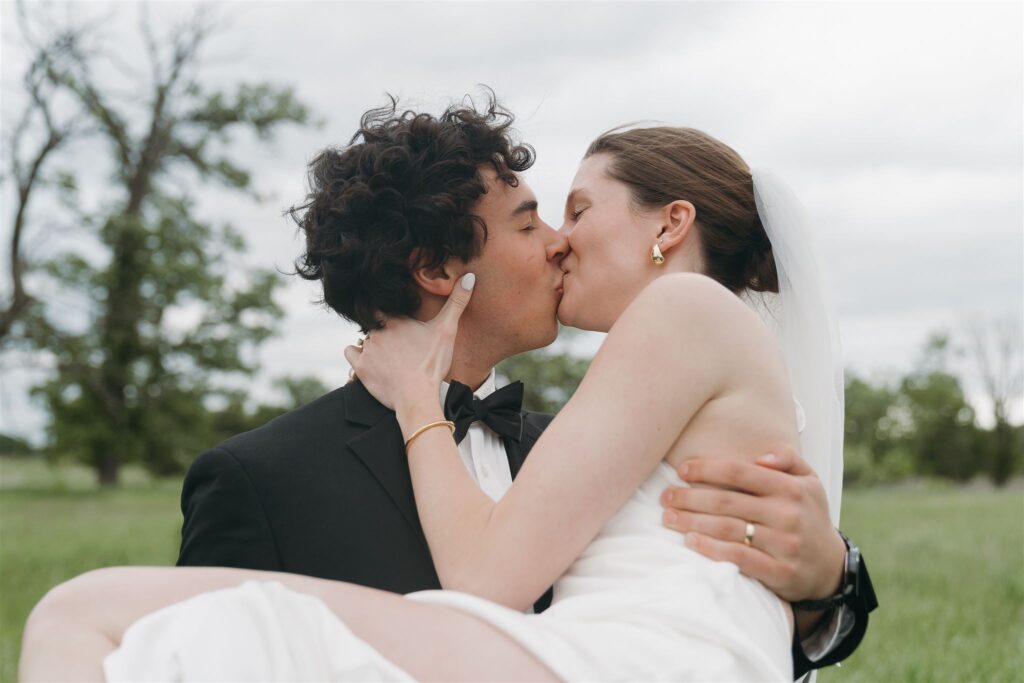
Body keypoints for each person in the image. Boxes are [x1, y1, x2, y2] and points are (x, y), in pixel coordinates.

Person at [19, 100, 876, 682]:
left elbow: (506, 577)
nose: (560, 244)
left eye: (571, 212)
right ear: (436, 269)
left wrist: (830, 576)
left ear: (672, 224)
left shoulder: (597, 413)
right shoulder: (263, 479)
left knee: (79, 612)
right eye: (534, 220)